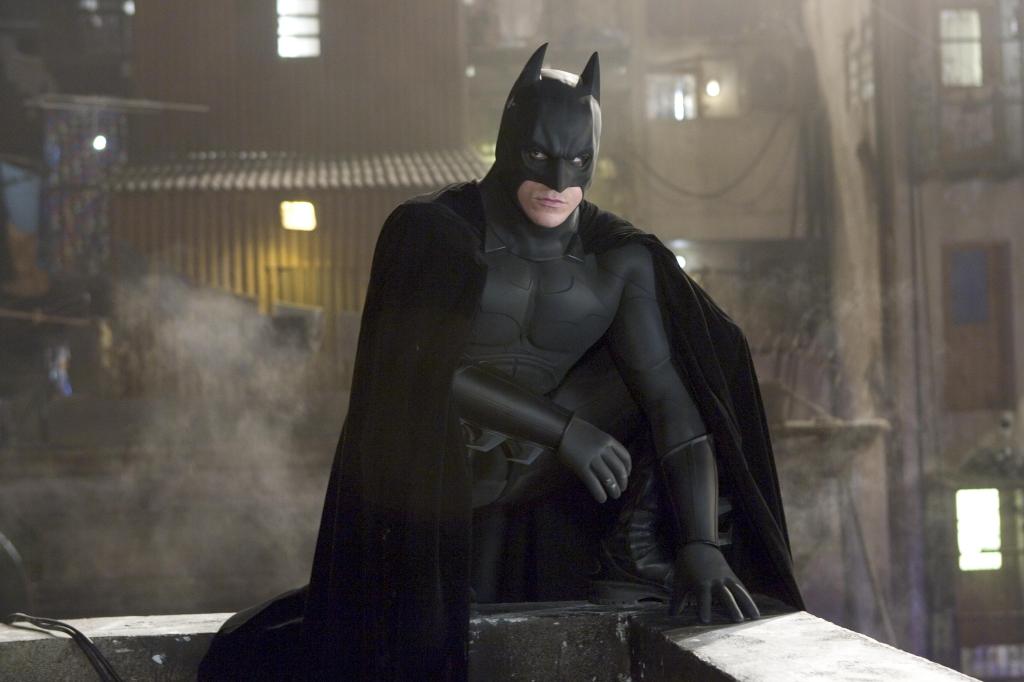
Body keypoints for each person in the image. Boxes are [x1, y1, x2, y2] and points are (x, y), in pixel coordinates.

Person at [199, 44, 803, 681]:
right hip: (436, 470)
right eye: (540, 156)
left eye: (578, 161)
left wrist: (701, 543)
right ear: (508, 142)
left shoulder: (618, 261)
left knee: (685, 364)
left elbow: (670, 399)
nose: (560, 180)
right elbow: (423, 372)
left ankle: (638, 558)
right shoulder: (436, 235)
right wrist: (565, 430)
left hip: (541, 474)